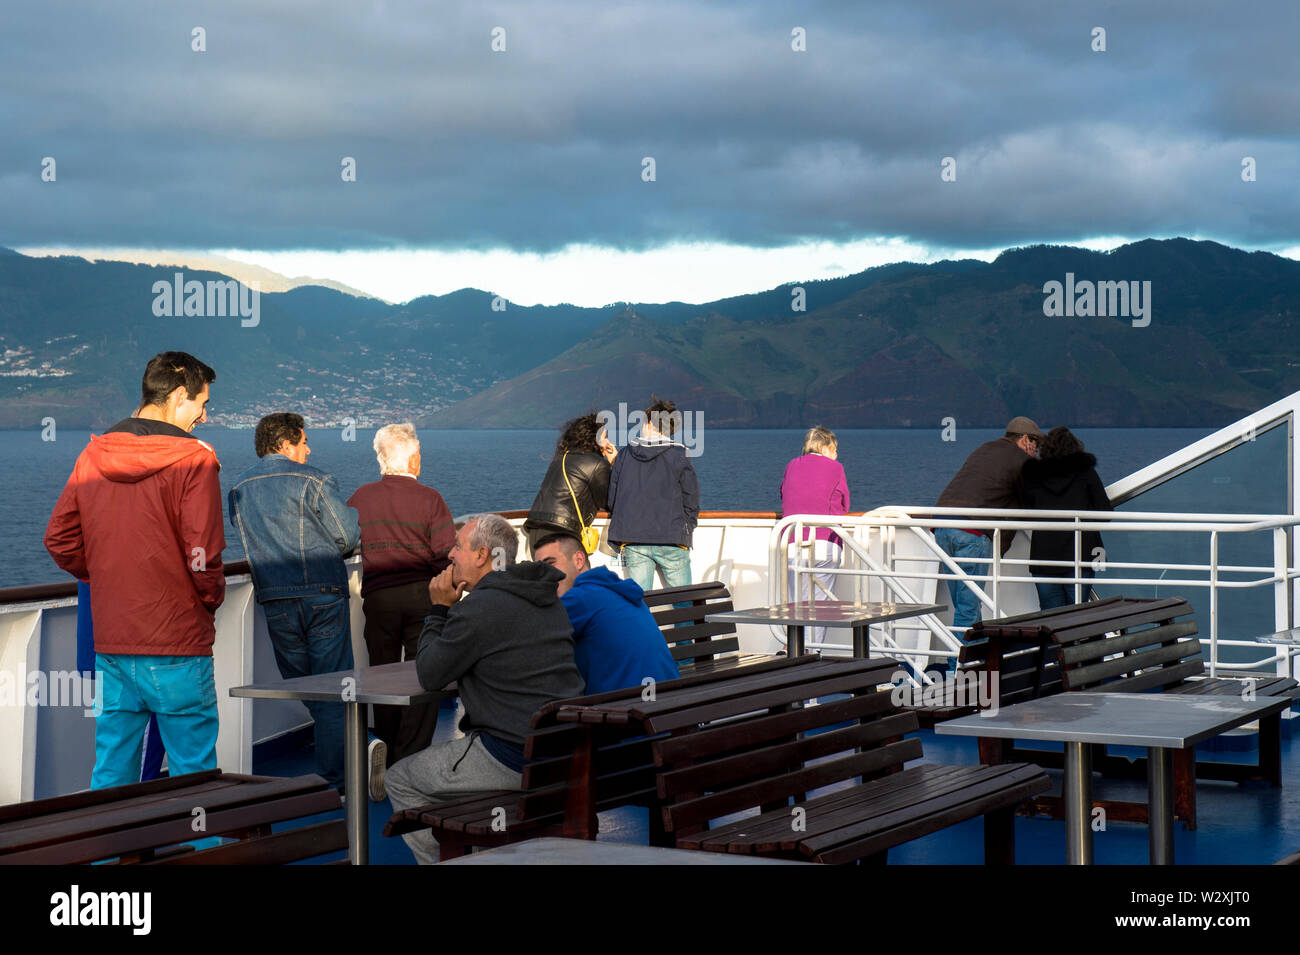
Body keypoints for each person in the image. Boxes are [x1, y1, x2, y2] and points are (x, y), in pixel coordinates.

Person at [45, 351, 226, 789]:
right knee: (194, 773)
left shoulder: (94, 454)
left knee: (111, 769)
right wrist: (208, 599)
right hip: (178, 641)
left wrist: (108, 575)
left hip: (114, 643)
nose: (204, 416)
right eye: (202, 403)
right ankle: (200, 853)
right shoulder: (195, 459)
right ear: (179, 396)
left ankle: (112, 856)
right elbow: (202, 552)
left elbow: (60, 539)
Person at [384, 514, 585, 865]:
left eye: (458, 547)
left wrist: (439, 609)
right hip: (565, 752)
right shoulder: (545, 596)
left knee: (399, 778)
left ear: (481, 556)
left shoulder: (480, 607)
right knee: (451, 781)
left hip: (512, 756)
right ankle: (478, 852)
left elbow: (431, 674)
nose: (450, 555)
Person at [228, 413, 361, 793]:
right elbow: (347, 537)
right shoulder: (316, 480)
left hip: (275, 600)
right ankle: (338, 782)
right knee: (333, 688)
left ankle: (345, 762)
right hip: (323, 595)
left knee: (307, 687)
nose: (308, 448)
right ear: (285, 445)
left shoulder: (239, 488)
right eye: (304, 442)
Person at [346, 423, 455, 796]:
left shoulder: (361, 497)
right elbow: (444, 553)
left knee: (382, 674)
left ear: (381, 460)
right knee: (424, 673)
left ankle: (385, 752)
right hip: (422, 595)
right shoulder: (430, 499)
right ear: (414, 459)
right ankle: (409, 761)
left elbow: (345, 540)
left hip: (379, 598)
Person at [933, 416, 1044, 638]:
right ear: (1024, 440)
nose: (1037, 452)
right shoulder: (1022, 461)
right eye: (1036, 445)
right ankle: (960, 667)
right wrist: (1000, 548)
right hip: (971, 532)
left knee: (964, 606)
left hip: (940, 526)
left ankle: (977, 662)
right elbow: (1027, 502)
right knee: (968, 609)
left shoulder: (985, 448)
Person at [533, 533, 680, 693]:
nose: (543, 576)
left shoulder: (581, 598)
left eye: (550, 564)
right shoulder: (617, 590)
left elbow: (528, 639)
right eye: (538, 570)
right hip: (667, 700)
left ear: (579, 560)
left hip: (629, 708)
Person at [607, 396, 700, 592]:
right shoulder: (680, 455)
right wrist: (687, 527)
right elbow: (691, 499)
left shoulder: (624, 455)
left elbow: (612, 499)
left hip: (634, 537)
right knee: (684, 602)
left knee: (641, 603)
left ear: (649, 423)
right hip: (672, 537)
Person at [1021, 426, 1113, 610]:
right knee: (1078, 615)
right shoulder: (1085, 472)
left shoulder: (1034, 474)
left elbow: (1025, 507)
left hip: (1044, 556)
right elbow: (1104, 511)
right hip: (1080, 553)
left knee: (1050, 619)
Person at [780, 426, 851, 644]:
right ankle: (813, 654)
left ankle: (794, 650)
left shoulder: (791, 465)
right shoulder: (835, 468)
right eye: (834, 449)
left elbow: (783, 493)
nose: (836, 455)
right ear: (824, 447)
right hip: (824, 543)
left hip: (792, 542)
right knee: (819, 605)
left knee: (797, 604)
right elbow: (845, 503)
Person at [522, 412, 617, 555]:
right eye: (604, 437)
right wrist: (614, 464)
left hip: (536, 529)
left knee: (547, 576)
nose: (608, 442)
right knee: (572, 575)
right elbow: (611, 501)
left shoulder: (561, 458)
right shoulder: (597, 465)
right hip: (562, 533)